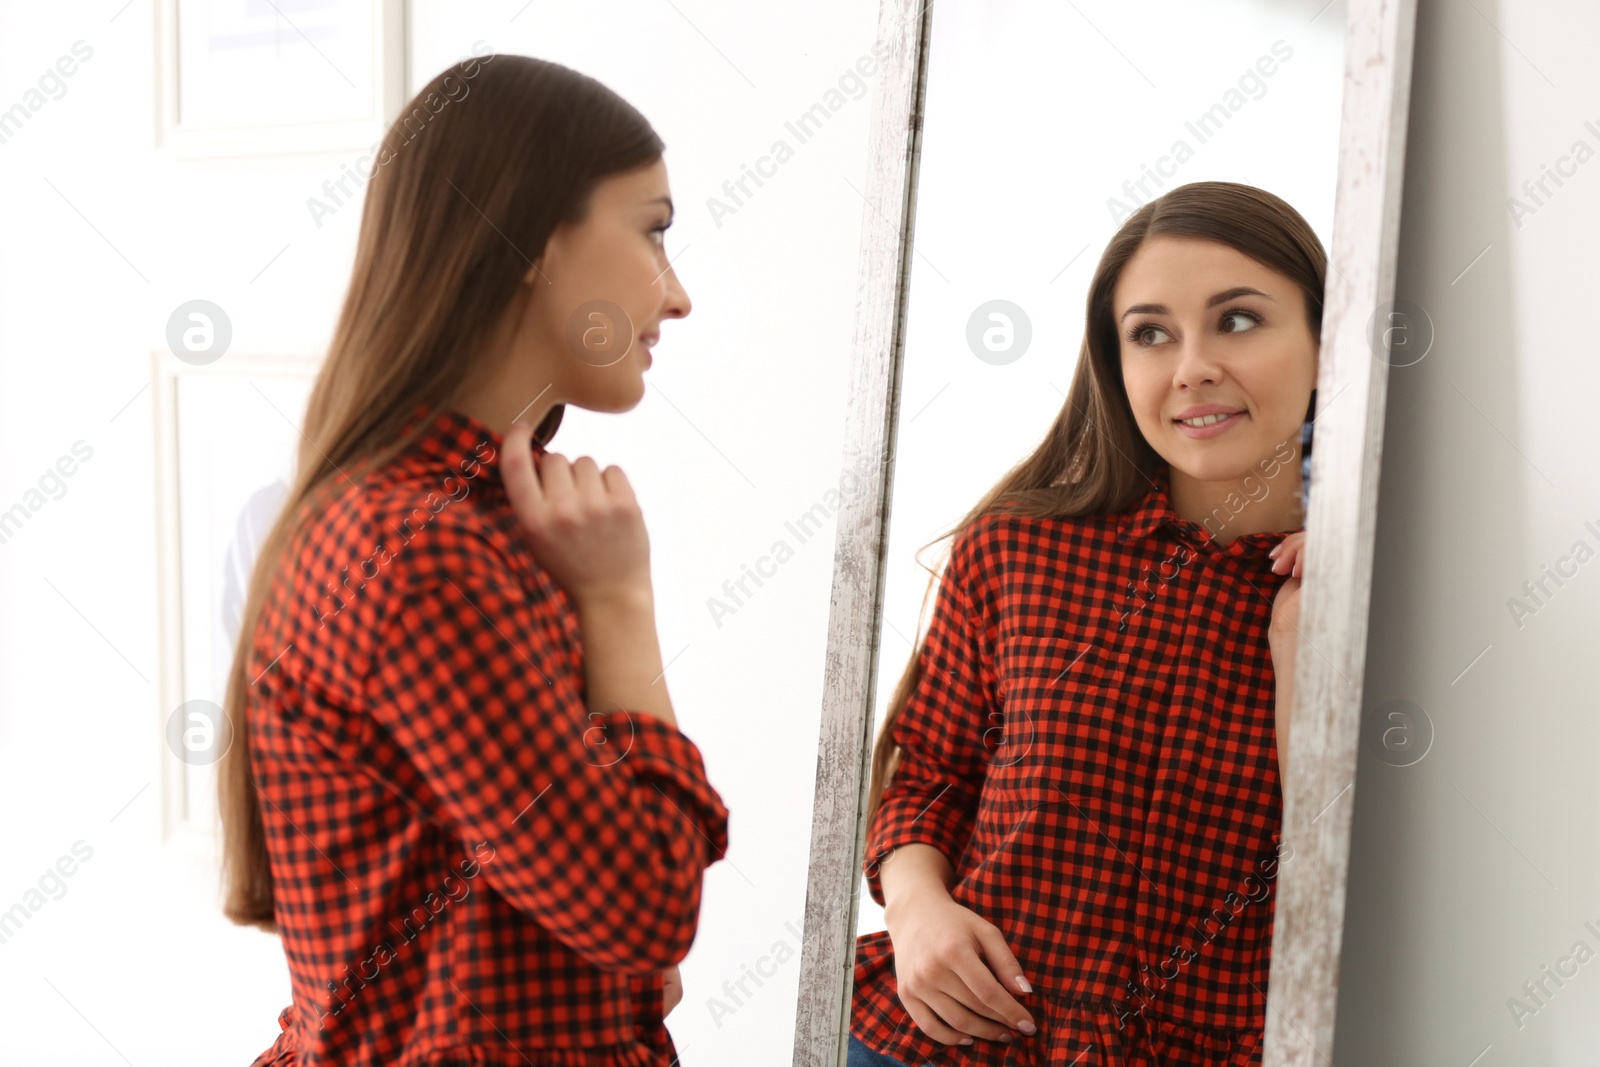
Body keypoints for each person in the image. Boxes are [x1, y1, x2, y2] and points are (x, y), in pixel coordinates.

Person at [215, 52, 727, 1067]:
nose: (678, 296)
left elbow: (558, 895)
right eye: (653, 231)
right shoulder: (425, 552)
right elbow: (645, 909)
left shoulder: (475, 524)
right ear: (533, 238)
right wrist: (623, 604)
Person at [848, 181, 1317, 1066]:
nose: (1192, 367)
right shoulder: (1018, 551)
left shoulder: (1398, 603)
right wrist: (918, 910)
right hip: (943, 1043)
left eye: (1240, 320)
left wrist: (1300, 643)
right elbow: (930, 776)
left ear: (1328, 341)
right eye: (1151, 333)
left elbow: (1358, 882)